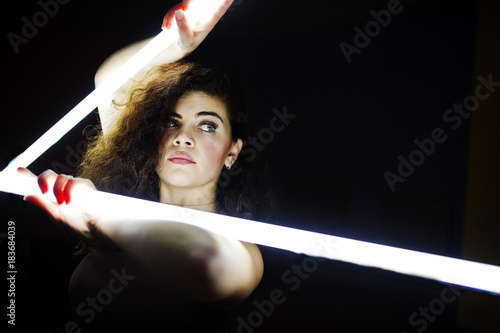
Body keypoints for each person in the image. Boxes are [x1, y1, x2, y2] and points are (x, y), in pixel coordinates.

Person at [18, 0, 273, 331]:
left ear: (232, 152)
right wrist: (172, 46)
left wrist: (100, 217)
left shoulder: (239, 245)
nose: (184, 137)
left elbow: (207, 264)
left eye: (207, 125)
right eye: (171, 123)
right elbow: (110, 82)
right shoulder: (124, 200)